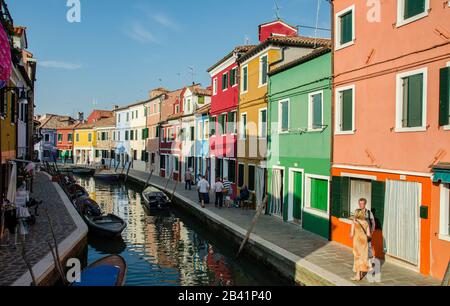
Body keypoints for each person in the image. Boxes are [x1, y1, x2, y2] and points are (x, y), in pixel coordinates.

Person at [350, 209, 372, 281]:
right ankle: (361, 272)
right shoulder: (366, 222)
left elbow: (351, 234)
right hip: (364, 241)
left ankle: (358, 275)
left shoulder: (354, 222)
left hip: (357, 241)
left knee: (357, 257)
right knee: (363, 257)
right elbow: (369, 234)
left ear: (356, 214)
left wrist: (351, 236)